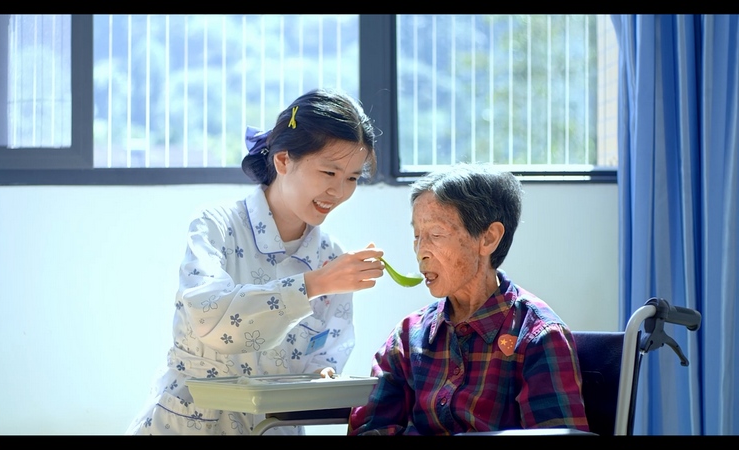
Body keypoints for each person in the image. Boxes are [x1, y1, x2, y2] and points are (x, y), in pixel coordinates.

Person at [126, 88, 385, 435]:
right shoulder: (215, 225)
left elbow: (327, 353)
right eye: (329, 173)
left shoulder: (331, 258)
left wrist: (321, 376)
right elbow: (211, 317)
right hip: (189, 423)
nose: (338, 192)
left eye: (352, 178)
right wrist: (313, 284)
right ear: (282, 160)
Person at [347, 163, 590, 435]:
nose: (421, 252)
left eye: (436, 235)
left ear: (488, 238)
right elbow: (369, 428)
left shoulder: (538, 337)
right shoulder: (407, 337)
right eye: (417, 236)